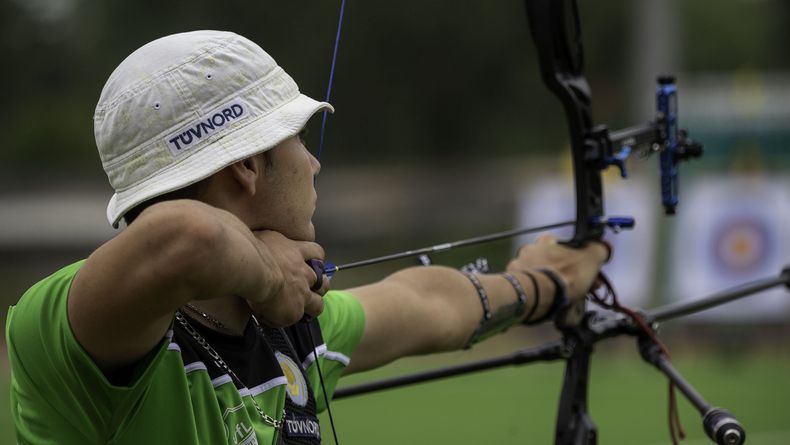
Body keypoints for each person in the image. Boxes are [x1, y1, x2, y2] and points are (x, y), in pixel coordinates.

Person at [5, 30, 609, 445]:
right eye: (297, 138)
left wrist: (542, 282)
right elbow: (182, 240)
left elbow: (425, 306)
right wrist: (269, 276)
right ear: (246, 165)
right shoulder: (72, 330)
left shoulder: (282, 321)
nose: (313, 164)